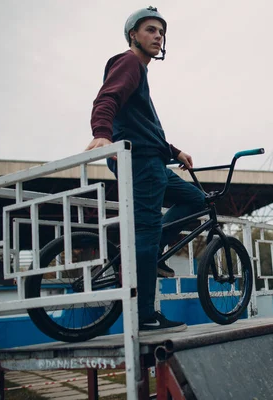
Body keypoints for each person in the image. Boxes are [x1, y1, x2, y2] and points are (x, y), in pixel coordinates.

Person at [85, 6, 205, 333]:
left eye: (161, 32)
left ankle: (153, 255)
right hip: (141, 162)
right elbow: (106, 99)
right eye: (150, 30)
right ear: (133, 35)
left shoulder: (141, 71)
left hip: (153, 159)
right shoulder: (129, 63)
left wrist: (175, 151)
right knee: (147, 232)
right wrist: (101, 132)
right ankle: (145, 316)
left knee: (197, 200)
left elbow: (142, 126)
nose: (158, 36)